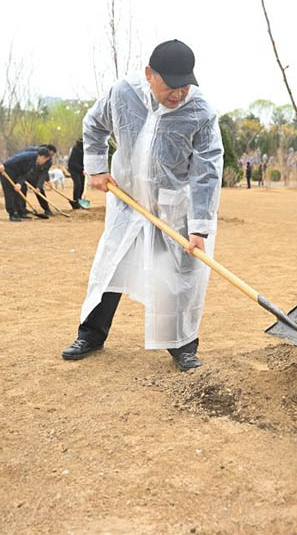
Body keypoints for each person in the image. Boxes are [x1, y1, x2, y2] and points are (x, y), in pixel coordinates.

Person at [62, 39, 223, 372]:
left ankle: (182, 346)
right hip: (127, 201)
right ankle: (91, 334)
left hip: (172, 208)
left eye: (185, 85)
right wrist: (96, 167)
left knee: (177, 277)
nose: (179, 93)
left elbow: (208, 170)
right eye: (172, 85)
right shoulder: (123, 93)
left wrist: (199, 228)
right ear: (150, 74)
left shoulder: (202, 112)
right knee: (110, 267)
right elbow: (94, 124)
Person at [0, 147, 52, 221]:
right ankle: (12, 214)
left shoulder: (35, 163)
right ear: (41, 157)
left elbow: (25, 174)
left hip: (17, 174)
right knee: (9, 193)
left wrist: (19, 183)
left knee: (18, 192)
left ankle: (20, 212)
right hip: (7, 171)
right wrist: (4, 165)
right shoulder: (27, 156)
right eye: (45, 160)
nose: (45, 162)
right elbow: (15, 158)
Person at [67, 138, 85, 209]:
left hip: (81, 169)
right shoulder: (76, 149)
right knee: (78, 184)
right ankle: (75, 200)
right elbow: (73, 162)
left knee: (82, 185)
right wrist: (82, 169)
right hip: (73, 168)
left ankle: (80, 200)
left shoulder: (86, 149)